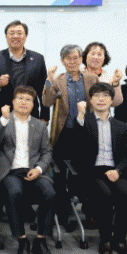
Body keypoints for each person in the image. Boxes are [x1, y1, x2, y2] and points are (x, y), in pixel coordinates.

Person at [0, 85, 55, 254]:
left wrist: (38, 169)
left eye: (28, 99)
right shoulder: (1, 120)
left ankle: (41, 240)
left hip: (34, 171)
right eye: (20, 98)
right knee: (14, 192)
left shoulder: (40, 125)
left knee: (50, 192)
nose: (24, 102)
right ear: (13, 101)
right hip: (11, 172)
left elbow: (47, 152)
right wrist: (4, 120)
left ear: (33, 104)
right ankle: (22, 240)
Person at [74, 83, 127, 254]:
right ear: (90, 100)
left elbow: (126, 155)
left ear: (111, 100)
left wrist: (118, 171)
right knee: (106, 195)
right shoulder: (84, 121)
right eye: (96, 95)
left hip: (114, 170)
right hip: (92, 171)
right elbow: (74, 143)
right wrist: (80, 115)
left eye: (105, 96)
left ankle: (120, 239)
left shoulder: (120, 125)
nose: (101, 99)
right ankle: (105, 240)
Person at [42, 44, 99, 227]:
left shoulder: (91, 78)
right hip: (64, 134)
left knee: (86, 173)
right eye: (68, 58)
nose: (72, 61)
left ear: (81, 59)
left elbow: (100, 101)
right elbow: (47, 102)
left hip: (86, 133)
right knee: (61, 175)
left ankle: (89, 211)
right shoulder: (58, 80)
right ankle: (62, 213)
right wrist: (48, 80)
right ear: (62, 61)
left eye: (76, 58)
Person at [0, 20, 49, 121]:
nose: (15, 36)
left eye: (19, 33)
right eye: (12, 33)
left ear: (25, 36)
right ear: (6, 36)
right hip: (3, 114)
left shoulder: (38, 59)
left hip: (31, 114)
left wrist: (45, 116)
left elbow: (43, 90)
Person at [82, 42, 124, 106]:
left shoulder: (109, 77)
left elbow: (116, 103)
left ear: (104, 58)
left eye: (99, 55)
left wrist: (115, 83)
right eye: (93, 54)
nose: (96, 57)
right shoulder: (77, 74)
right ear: (85, 56)